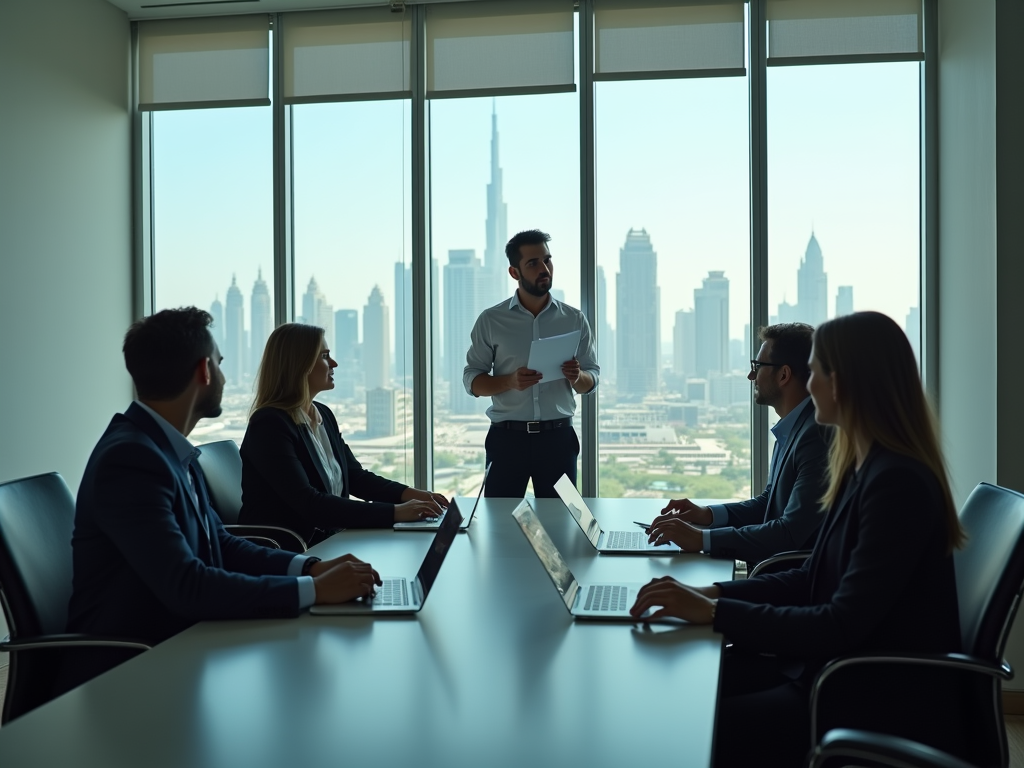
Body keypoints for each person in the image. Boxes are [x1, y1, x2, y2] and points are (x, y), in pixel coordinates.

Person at [630, 311, 966, 767]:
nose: (808, 385)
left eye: (819, 371)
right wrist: (708, 593)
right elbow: (811, 575)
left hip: (860, 694)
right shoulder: (863, 468)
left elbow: (838, 622)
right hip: (829, 669)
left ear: (844, 382)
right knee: (677, 691)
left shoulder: (897, 485)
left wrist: (714, 611)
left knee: (685, 723)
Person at [63, 308, 381, 691]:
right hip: (133, 671)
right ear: (204, 371)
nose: (225, 376)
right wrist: (314, 591)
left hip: (185, 645)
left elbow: (222, 543)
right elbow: (187, 585)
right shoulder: (131, 460)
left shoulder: (168, 449)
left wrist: (310, 568)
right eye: (220, 362)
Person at [240, 323, 448, 543]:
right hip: (292, 550)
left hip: (331, 539)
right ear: (299, 364)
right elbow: (310, 503)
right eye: (325, 356)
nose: (334, 363)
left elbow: (355, 477)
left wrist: (413, 495)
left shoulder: (323, 415)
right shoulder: (269, 424)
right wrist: (396, 512)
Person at [647, 323, 830, 567]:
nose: (751, 376)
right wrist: (707, 515)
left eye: (757, 366)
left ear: (784, 375)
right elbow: (769, 502)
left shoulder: (815, 437)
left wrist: (702, 539)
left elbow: (789, 532)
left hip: (787, 581)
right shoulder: (795, 426)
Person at [464, 229, 600, 498]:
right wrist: (509, 381)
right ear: (514, 273)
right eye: (533, 263)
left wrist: (577, 376)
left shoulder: (574, 319)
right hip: (507, 440)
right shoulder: (491, 320)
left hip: (558, 439)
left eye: (547, 260)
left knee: (562, 524)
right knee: (499, 525)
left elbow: (592, 379)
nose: (544, 268)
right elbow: (472, 381)